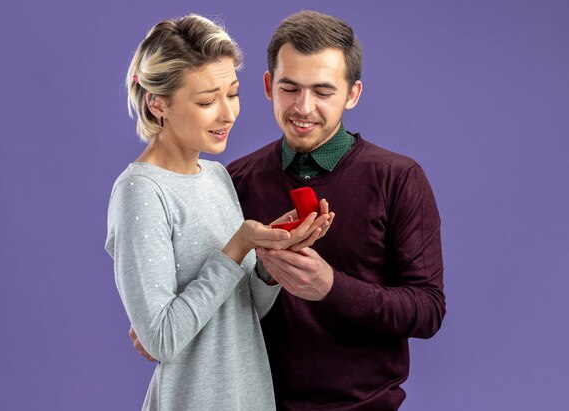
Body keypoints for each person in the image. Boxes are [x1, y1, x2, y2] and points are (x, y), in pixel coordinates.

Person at [105, 14, 333, 410]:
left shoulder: (216, 177)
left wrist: (268, 257)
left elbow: (241, 314)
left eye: (233, 93)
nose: (228, 113)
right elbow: (161, 340)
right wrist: (236, 246)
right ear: (158, 104)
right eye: (208, 101)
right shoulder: (140, 192)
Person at [225, 11, 446, 410]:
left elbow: (427, 310)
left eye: (323, 92)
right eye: (289, 88)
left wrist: (331, 287)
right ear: (267, 85)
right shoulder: (235, 180)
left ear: (353, 94)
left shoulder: (399, 179)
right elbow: (219, 296)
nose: (303, 107)